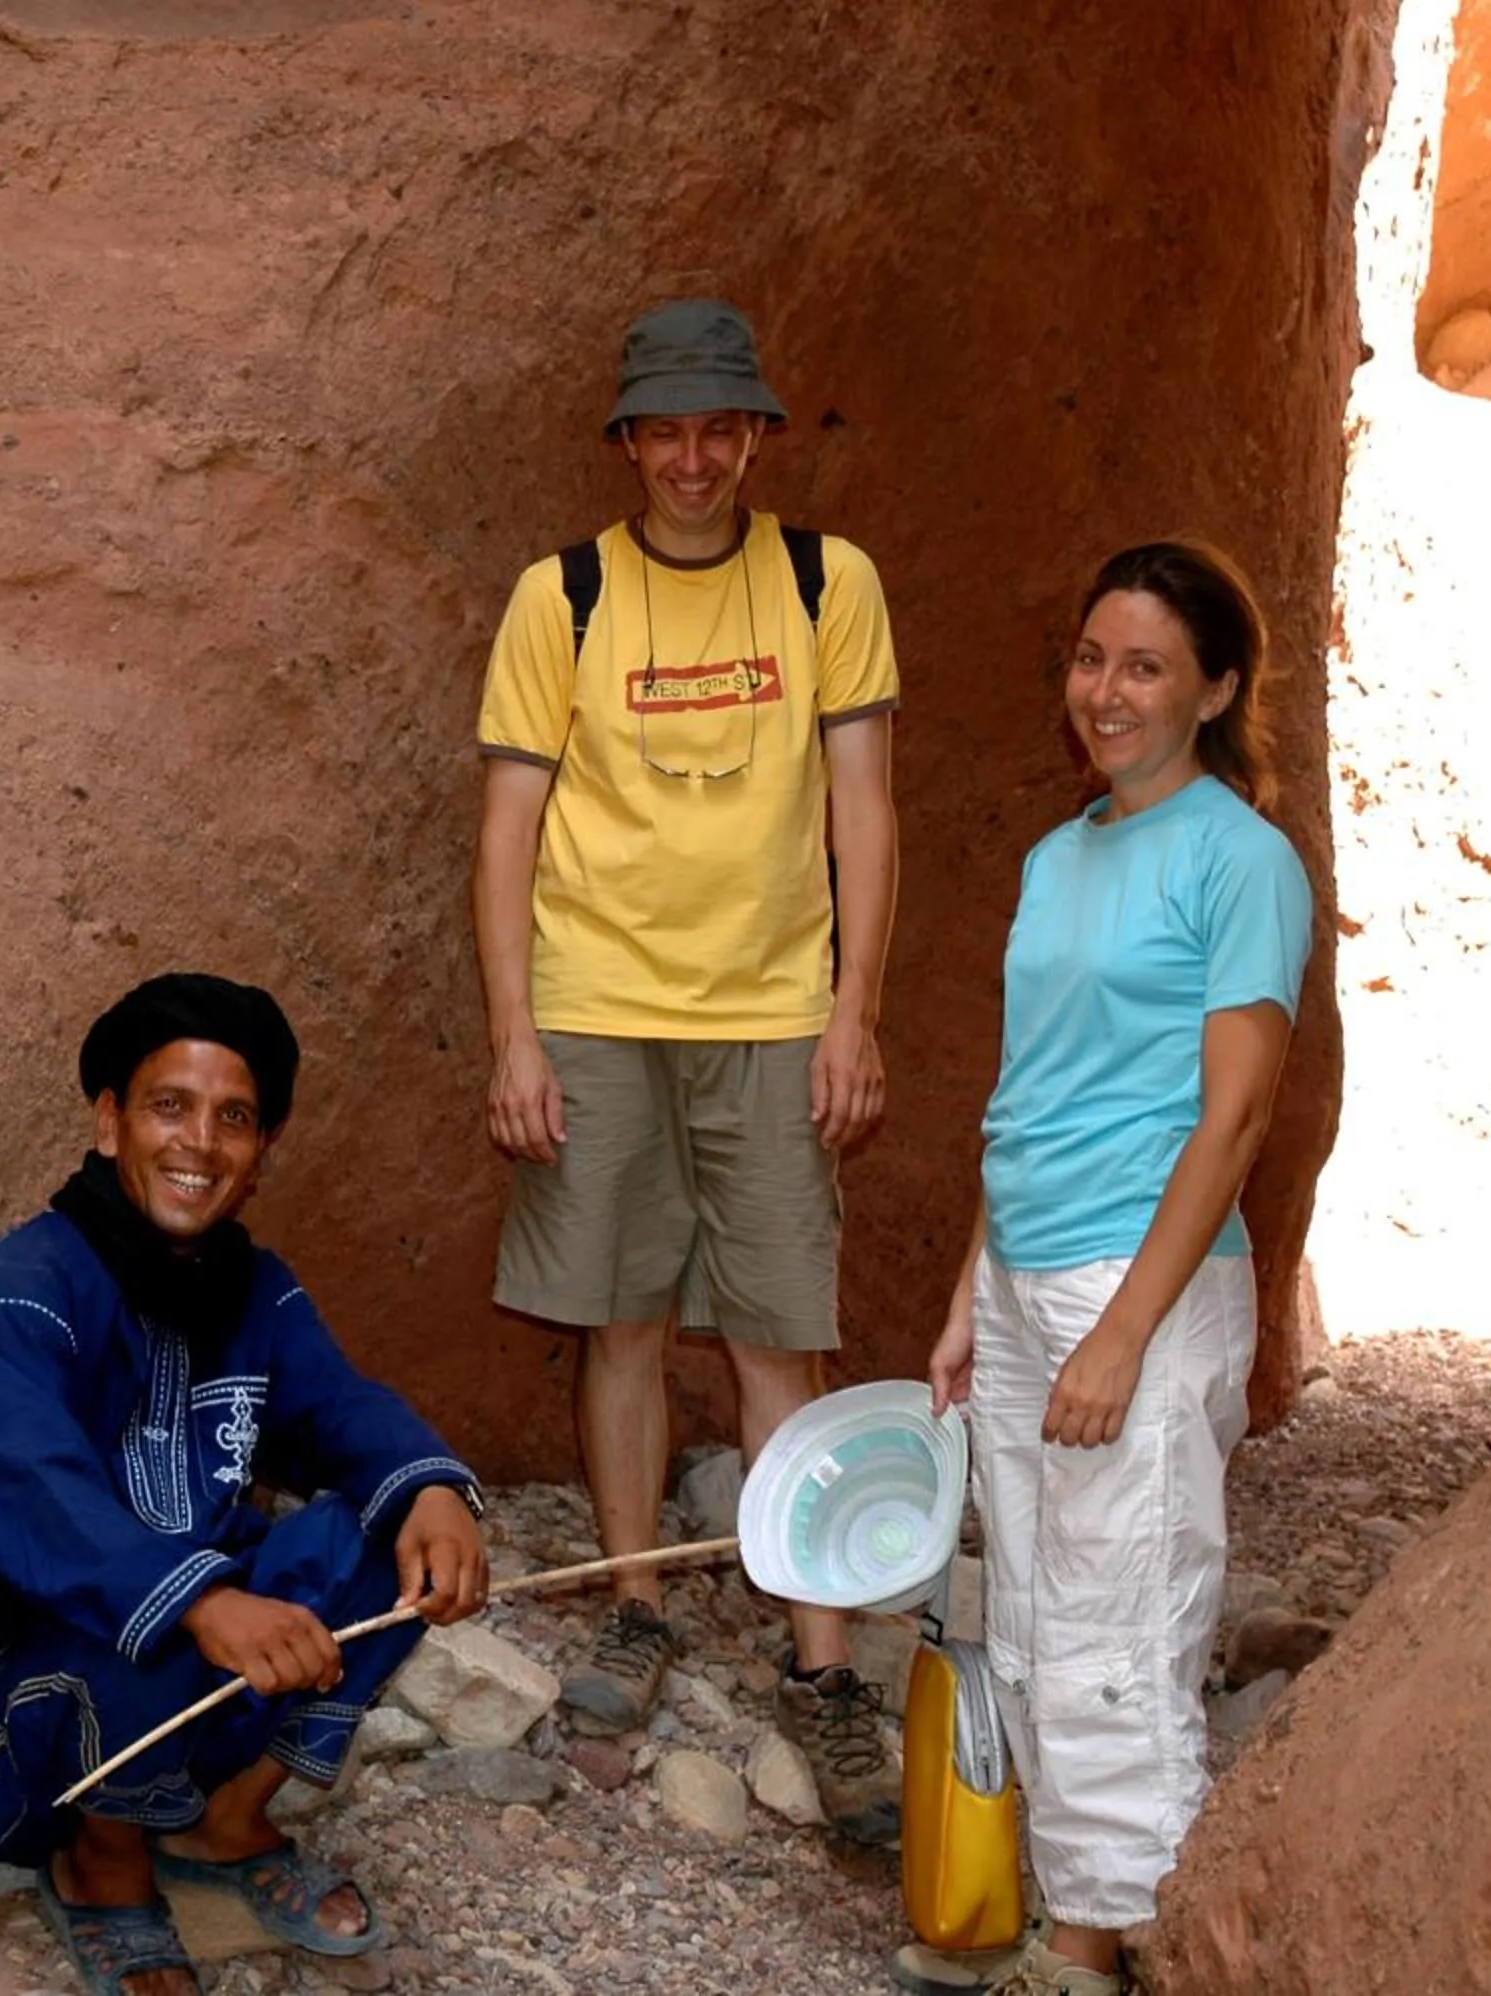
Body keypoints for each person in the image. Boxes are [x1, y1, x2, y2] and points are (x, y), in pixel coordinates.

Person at [470, 297, 904, 1840]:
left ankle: (823, 1664)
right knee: (626, 1318)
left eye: (725, 428)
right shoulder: (565, 596)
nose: (697, 458)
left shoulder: (822, 582)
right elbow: (510, 827)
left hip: (773, 1007)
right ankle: (639, 1600)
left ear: (758, 437)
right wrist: (517, 1033)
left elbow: (864, 809)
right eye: (669, 429)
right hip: (599, 1001)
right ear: (630, 441)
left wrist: (853, 1013)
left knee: (785, 1333)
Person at [893, 544, 1312, 1996]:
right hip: (1026, 1286)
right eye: (1090, 660)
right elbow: (1032, 1089)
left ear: (1215, 687)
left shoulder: (1240, 859)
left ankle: (1104, 1946)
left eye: (1143, 666)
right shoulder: (1057, 856)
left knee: (1121, 1617)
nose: (1107, 692)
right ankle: (1060, 1903)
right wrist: (970, 1294)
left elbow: (1238, 1111)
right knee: (1028, 1611)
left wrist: (1124, 1333)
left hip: (1142, 1286)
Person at [0, 973, 490, 1996]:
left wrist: (429, 1489)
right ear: (109, 1121)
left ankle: (223, 1823)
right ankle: (102, 1863)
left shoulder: (253, 1285)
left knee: (378, 1537)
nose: (200, 1143)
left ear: (259, 1155)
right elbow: (36, 1500)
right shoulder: (18, 1294)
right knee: (146, 1617)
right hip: (23, 1695)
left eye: (235, 1119)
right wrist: (206, 1601)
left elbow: (342, 1409)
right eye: (170, 1106)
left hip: (202, 1666)